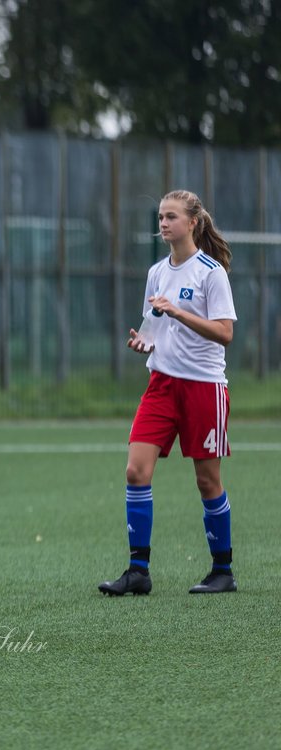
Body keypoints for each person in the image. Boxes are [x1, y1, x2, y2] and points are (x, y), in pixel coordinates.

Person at [99, 190, 237, 596]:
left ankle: (222, 570)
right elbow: (154, 329)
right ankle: (138, 571)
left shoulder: (211, 272)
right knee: (135, 471)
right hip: (161, 384)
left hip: (203, 387)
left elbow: (225, 333)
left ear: (192, 222)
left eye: (171, 216)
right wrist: (145, 342)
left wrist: (180, 312)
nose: (163, 223)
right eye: (160, 216)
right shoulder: (157, 271)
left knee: (207, 482)